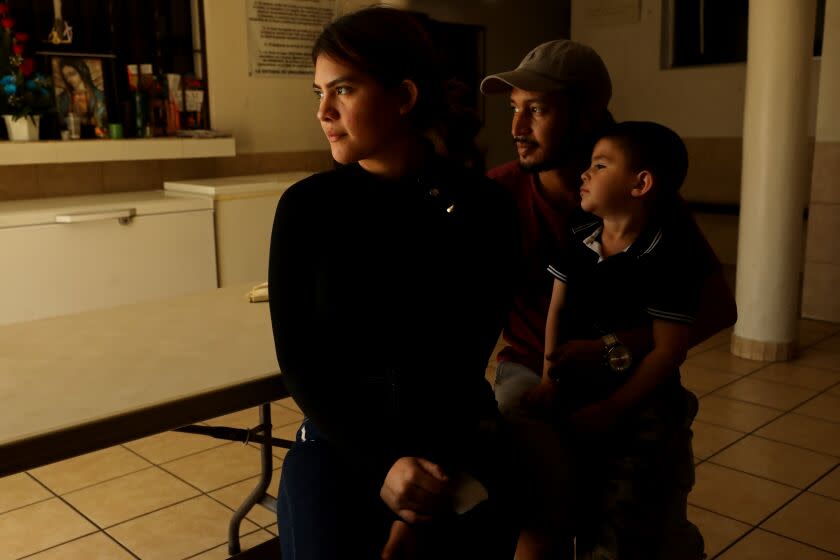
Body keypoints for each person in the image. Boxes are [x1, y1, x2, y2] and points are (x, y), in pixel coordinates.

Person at [268, 7, 521, 559]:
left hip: (452, 437)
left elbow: (461, 358)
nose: (324, 111)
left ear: (404, 96)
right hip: (341, 439)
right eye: (318, 93)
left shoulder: (483, 209)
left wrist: (421, 499)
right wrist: (383, 463)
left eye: (343, 90)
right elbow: (301, 362)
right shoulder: (306, 209)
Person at [480, 40, 737, 559]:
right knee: (537, 512)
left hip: (634, 376)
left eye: (538, 110)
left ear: (587, 114)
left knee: (640, 527)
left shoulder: (644, 202)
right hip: (532, 371)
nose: (517, 128)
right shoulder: (496, 197)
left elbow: (715, 306)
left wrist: (615, 349)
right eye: (514, 109)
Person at [54, 58, 107, 131]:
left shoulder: (99, 95)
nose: (69, 79)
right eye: (66, 76)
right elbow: (61, 121)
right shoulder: (62, 98)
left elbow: (102, 119)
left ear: (82, 71)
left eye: (72, 74)